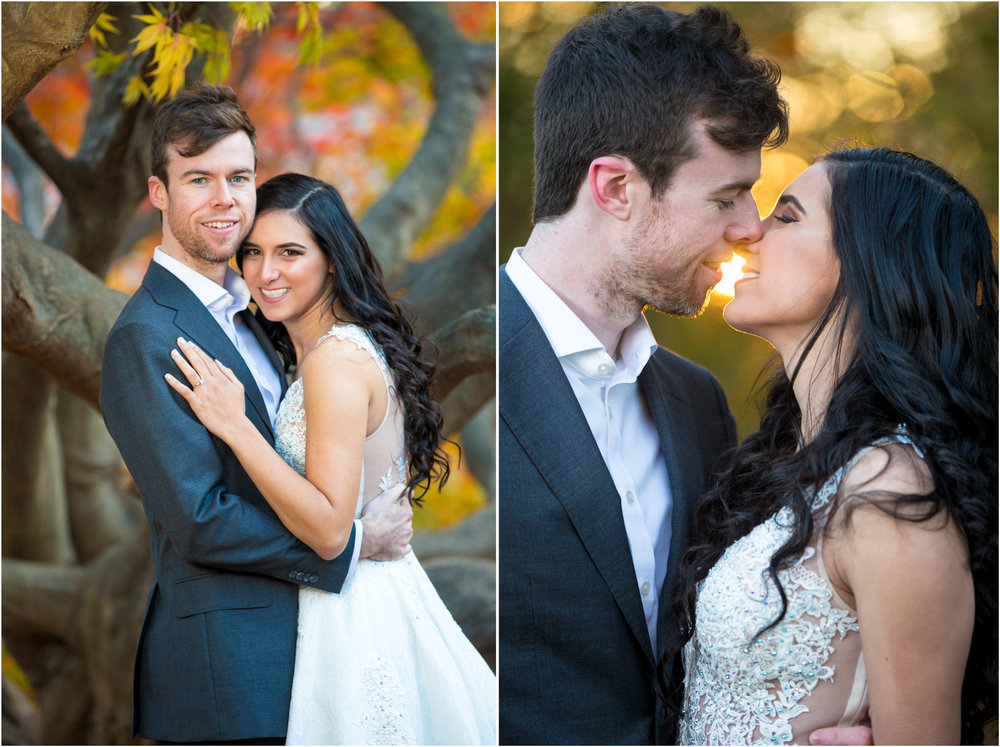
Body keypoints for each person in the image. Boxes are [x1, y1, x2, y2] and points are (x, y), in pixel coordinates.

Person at [499, 4, 876, 745]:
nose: (750, 227)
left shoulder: (695, 401)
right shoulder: (464, 374)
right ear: (614, 189)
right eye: (726, 195)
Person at [100, 84, 413, 744]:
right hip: (231, 672)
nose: (226, 199)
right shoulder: (147, 336)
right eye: (199, 179)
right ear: (158, 192)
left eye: (239, 176)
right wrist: (350, 544)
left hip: (314, 655)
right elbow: (201, 518)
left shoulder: (264, 316)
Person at [665, 147, 998, 745]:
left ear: (872, 265)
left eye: (787, 217)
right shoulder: (787, 463)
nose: (750, 232)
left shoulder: (890, 491)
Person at [165, 172, 497, 745]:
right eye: (252, 253)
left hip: (356, 620)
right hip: (360, 600)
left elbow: (327, 528)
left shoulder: (334, 362)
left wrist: (236, 428)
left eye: (290, 253)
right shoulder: (327, 353)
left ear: (333, 260)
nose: (266, 273)